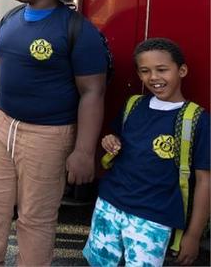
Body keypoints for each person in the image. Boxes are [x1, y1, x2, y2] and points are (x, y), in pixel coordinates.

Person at [0, 0, 108, 266]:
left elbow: (93, 93)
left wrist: (84, 152)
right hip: (3, 125)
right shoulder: (12, 18)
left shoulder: (78, 30)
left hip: (49, 136)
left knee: (35, 216)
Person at [83, 38, 209, 267]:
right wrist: (109, 140)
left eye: (162, 70)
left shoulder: (197, 120)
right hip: (109, 203)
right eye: (145, 71)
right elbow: (115, 138)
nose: (153, 77)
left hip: (153, 216)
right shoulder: (133, 105)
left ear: (182, 70)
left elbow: (204, 181)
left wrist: (193, 235)